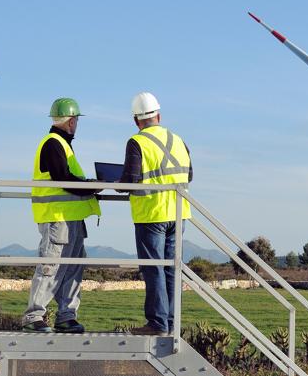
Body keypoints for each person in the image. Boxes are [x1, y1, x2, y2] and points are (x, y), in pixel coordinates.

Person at [23, 97, 101, 333]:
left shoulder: (62, 144)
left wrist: (90, 185)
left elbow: (67, 179)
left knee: (73, 267)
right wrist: (90, 186)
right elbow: (63, 179)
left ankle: (66, 316)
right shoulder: (53, 143)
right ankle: (33, 316)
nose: (76, 125)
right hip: (57, 218)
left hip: (71, 219)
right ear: (71, 121)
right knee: (51, 265)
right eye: (76, 121)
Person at [119, 92, 192, 336]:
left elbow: (130, 180)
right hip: (179, 213)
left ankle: (158, 324)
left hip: (152, 214)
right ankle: (171, 323)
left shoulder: (136, 142)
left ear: (136, 120)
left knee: (154, 269)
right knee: (171, 268)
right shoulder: (179, 140)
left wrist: (115, 183)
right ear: (158, 116)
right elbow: (189, 174)